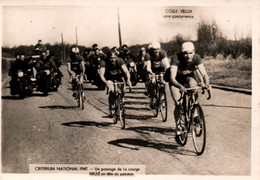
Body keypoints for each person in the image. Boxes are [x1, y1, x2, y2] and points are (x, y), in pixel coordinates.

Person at [168, 42, 210, 135]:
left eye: (191, 53)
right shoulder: (175, 58)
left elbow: (204, 74)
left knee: (193, 86)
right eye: (185, 53)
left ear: (194, 52)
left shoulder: (197, 58)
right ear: (181, 53)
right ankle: (179, 126)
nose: (188, 56)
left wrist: (206, 84)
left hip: (188, 78)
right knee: (178, 103)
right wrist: (180, 87)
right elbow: (172, 78)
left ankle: (195, 113)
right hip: (176, 81)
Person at [99, 49, 132, 116]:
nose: (113, 60)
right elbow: (101, 75)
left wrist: (128, 80)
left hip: (119, 77)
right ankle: (111, 107)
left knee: (123, 89)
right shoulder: (103, 62)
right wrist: (106, 83)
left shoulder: (120, 60)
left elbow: (126, 71)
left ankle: (121, 102)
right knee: (112, 91)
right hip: (109, 78)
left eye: (114, 58)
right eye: (111, 58)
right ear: (108, 58)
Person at [145, 42, 170, 108]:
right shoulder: (148, 54)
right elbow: (148, 67)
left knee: (163, 83)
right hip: (152, 70)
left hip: (160, 69)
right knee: (152, 82)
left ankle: (162, 98)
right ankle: (152, 97)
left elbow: (166, 64)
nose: (156, 51)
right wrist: (151, 74)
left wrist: (168, 71)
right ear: (151, 50)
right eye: (154, 49)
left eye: (158, 49)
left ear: (160, 49)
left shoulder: (162, 53)